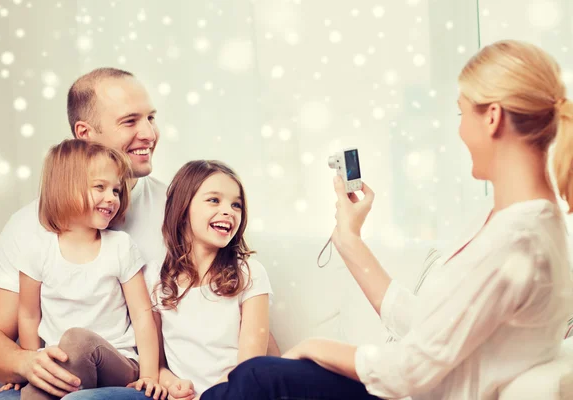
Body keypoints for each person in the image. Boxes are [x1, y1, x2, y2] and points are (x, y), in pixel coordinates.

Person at [198, 40, 573, 400]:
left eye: (462, 114)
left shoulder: (519, 241)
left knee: (260, 377)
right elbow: (427, 326)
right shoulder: (503, 221)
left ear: (492, 117)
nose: (460, 130)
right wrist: (349, 239)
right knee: (256, 376)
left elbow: (409, 369)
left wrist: (315, 347)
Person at [0, 68, 167, 400]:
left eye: (151, 118)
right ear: (85, 134)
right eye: (130, 121)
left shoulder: (181, 209)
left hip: (129, 378)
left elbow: (238, 292)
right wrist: (27, 362)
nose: (149, 133)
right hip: (58, 376)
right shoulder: (29, 229)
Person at [0, 140, 161, 399]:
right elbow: (29, 316)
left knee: (77, 339)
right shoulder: (36, 250)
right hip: (63, 364)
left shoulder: (120, 246)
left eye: (116, 191)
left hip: (118, 364)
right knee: (62, 356)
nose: (112, 198)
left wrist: (150, 376)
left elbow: (143, 315)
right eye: (100, 187)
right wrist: (30, 369)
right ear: (64, 189)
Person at [143, 160, 272, 399]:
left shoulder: (250, 274)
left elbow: (249, 367)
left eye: (236, 205)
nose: (228, 211)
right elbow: (156, 364)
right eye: (214, 200)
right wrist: (173, 384)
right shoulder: (155, 276)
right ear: (182, 209)